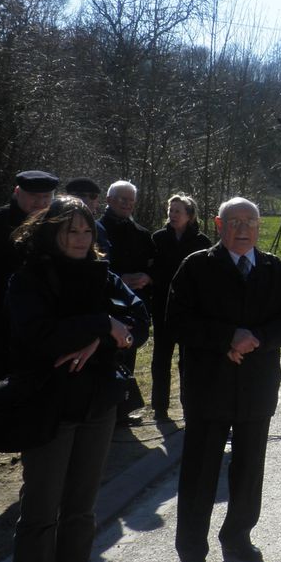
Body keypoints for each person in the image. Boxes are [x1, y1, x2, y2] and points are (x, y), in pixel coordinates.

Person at [6, 196, 149, 562]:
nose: (81, 239)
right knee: (40, 513)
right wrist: (103, 324)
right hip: (48, 404)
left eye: (87, 231)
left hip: (97, 404)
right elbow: (40, 337)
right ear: (52, 231)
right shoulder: (30, 278)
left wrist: (99, 339)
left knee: (81, 510)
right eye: (72, 230)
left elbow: (139, 321)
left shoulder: (103, 275)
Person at [168, 197, 281, 562]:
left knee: (249, 471)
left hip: (256, 388)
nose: (243, 228)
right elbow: (178, 322)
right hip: (208, 386)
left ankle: (238, 537)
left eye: (250, 221)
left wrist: (257, 338)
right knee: (199, 473)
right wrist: (228, 337)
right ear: (218, 224)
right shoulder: (196, 267)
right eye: (234, 221)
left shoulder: (272, 268)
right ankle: (192, 553)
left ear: (259, 227)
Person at [149, 194, 211, 421]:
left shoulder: (201, 242)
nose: (172, 215)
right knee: (161, 356)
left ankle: (189, 404)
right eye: (170, 210)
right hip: (162, 305)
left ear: (190, 216)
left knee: (188, 359)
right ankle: (159, 407)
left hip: (190, 309)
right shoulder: (158, 238)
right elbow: (152, 270)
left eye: (178, 211)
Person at [100, 180, 155, 424]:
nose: (126, 204)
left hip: (133, 307)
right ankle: (105, 414)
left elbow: (156, 265)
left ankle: (122, 412)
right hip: (106, 307)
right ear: (109, 200)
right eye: (122, 199)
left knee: (128, 357)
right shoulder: (97, 229)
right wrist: (120, 279)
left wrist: (147, 277)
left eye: (131, 200)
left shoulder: (142, 234)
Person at [0, 170, 58, 378]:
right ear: (17, 192)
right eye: (34, 196)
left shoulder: (57, 223)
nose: (40, 202)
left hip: (44, 318)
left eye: (46, 197)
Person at [64, 177, 111, 255]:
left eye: (93, 196)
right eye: (81, 195)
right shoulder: (58, 224)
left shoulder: (99, 228)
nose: (88, 200)